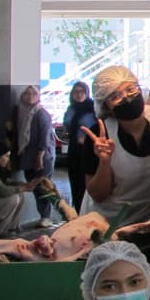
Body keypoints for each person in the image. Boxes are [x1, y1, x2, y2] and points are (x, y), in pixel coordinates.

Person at [80, 65, 150, 225]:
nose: (127, 98)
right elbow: (98, 194)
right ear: (106, 106)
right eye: (116, 96)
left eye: (130, 89)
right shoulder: (100, 135)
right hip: (108, 225)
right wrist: (105, 162)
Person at [9, 84, 56, 227]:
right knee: (34, 187)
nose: (30, 97)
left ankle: (46, 216)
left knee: (43, 187)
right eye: (27, 93)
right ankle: (43, 215)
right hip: (28, 156)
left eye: (34, 94)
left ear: (38, 96)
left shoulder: (41, 114)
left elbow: (45, 136)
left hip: (41, 157)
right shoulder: (23, 112)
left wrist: (40, 156)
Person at [64, 81, 100, 209]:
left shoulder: (92, 108)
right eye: (76, 92)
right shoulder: (71, 109)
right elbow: (67, 125)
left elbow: (98, 128)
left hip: (88, 149)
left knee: (86, 179)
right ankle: (78, 208)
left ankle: (87, 210)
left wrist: (86, 139)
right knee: (75, 180)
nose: (79, 95)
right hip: (74, 148)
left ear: (87, 93)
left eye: (82, 92)